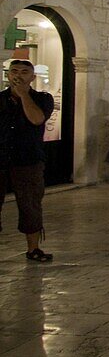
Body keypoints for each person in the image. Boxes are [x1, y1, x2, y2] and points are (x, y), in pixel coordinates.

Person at [1, 60, 55, 261]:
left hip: (28, 159)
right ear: (8, 75)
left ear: (32, 77)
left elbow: (36, 119)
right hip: (1, 158)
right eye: (14, 71)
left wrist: (23, 94)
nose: (18, 75)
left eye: (24, 72)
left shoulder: (43, 99)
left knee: (30, 205)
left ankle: (33, 248)